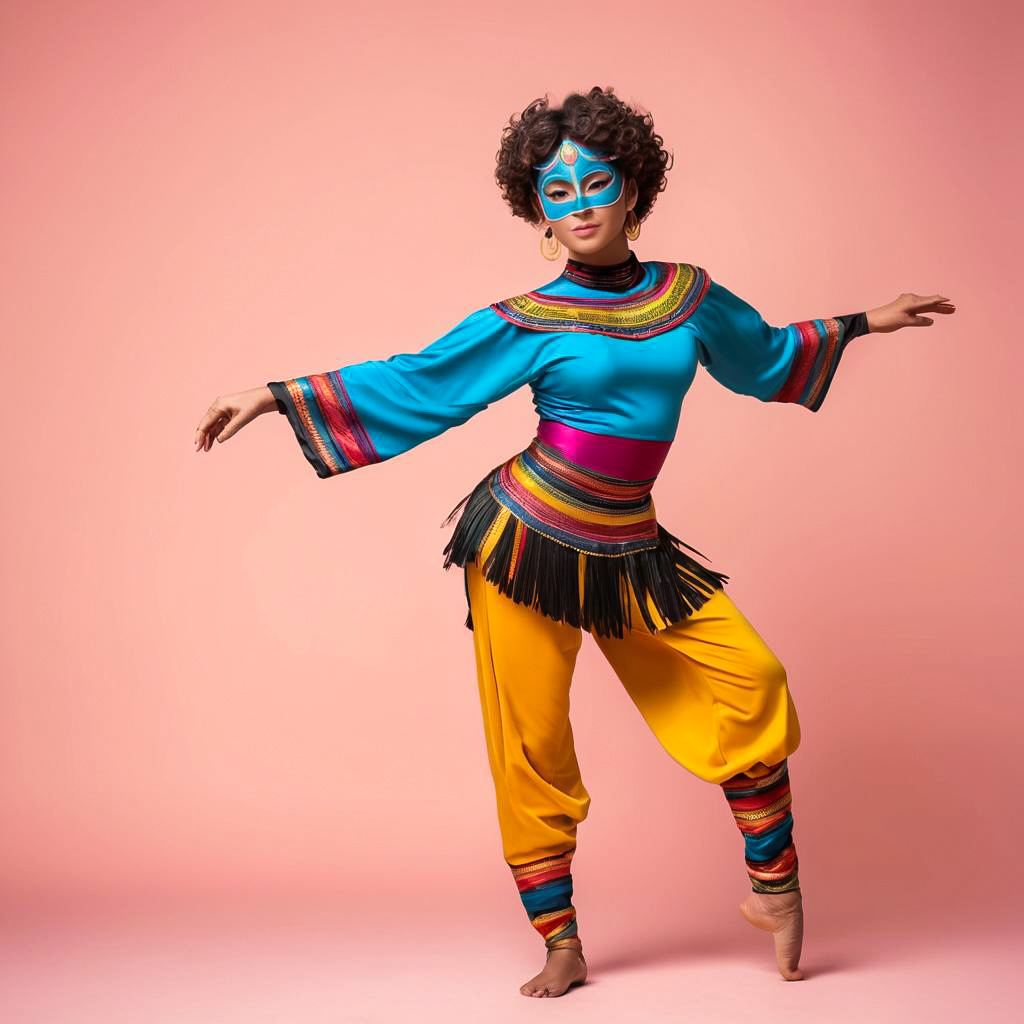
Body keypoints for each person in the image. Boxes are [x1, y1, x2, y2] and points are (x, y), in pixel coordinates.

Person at [194, 87, 955, 998]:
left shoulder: (689, 296)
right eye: (560, 193)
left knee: (751, 679)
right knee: (533, 745)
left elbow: (762, 356)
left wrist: (869, 320)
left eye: (599, 182)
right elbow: (423, 382)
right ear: (539, 211)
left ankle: (774, 884)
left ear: (634, 189)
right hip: (522, 545)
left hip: (632, 549)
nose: (583, 203)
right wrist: (278, 396)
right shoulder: (529, 316)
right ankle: (560, 940)